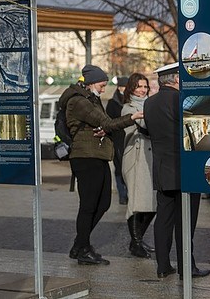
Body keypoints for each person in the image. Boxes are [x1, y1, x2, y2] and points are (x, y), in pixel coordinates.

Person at [63, 65, 141, 265]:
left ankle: (79, 244)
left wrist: (105, 129)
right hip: (86, 157)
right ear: (90, 83)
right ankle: (82, 248)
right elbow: (106, 122)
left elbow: (104, 125)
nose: (104, 88)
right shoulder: (79, 101)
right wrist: (132, 117)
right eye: (101, 84)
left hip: (97, 156)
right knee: (88, 206)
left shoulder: (91, 99)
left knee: (104, 202)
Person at [144, 62, 210, 279]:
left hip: (162, 171)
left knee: (163, 220)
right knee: (186, 222)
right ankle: (186, 267)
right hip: (186, 171)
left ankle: (163, 266)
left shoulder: (149, 103)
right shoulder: (183, 101)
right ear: (175, 79)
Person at [120, 73, 156, 258]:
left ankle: (138, 240)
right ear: (131, 88)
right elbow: (137, 128)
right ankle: (136, 243)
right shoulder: (128, 107)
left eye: (145, 87)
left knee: (152, 203)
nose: (142, 90)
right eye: (139, 87)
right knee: (135, 202)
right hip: (135, 158)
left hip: (149, 160)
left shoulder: (151, 104)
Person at [106, 76, 129, 204]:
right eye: (123, 87)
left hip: (129, 139)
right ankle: (122, 195)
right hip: (117, 140)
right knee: (119, 168)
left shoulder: (130, 101)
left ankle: (129, 193)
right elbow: (109, 122)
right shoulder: (112, 103)